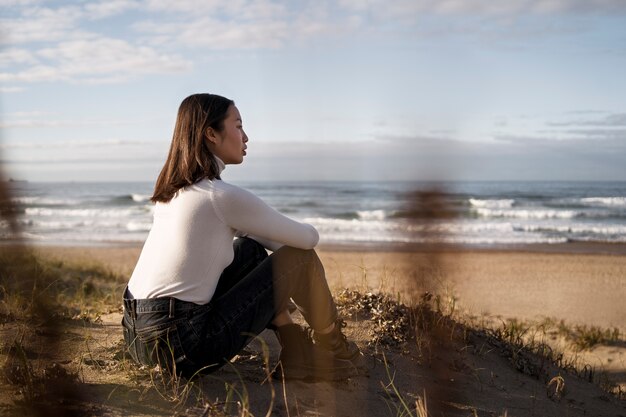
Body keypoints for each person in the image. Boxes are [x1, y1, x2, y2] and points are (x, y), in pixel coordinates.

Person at [122, 93, 361, 381]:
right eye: (238, 126)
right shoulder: (219, 197)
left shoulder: (174, 193)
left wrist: (264, 240)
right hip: (183, 348)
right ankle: (333, 344)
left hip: (138, 337)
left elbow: (255, 238)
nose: (246, 137)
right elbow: (308, 239)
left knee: (250, 251)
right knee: (302, 259)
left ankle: (296, 349)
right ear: (211, 133)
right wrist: (288, 260)